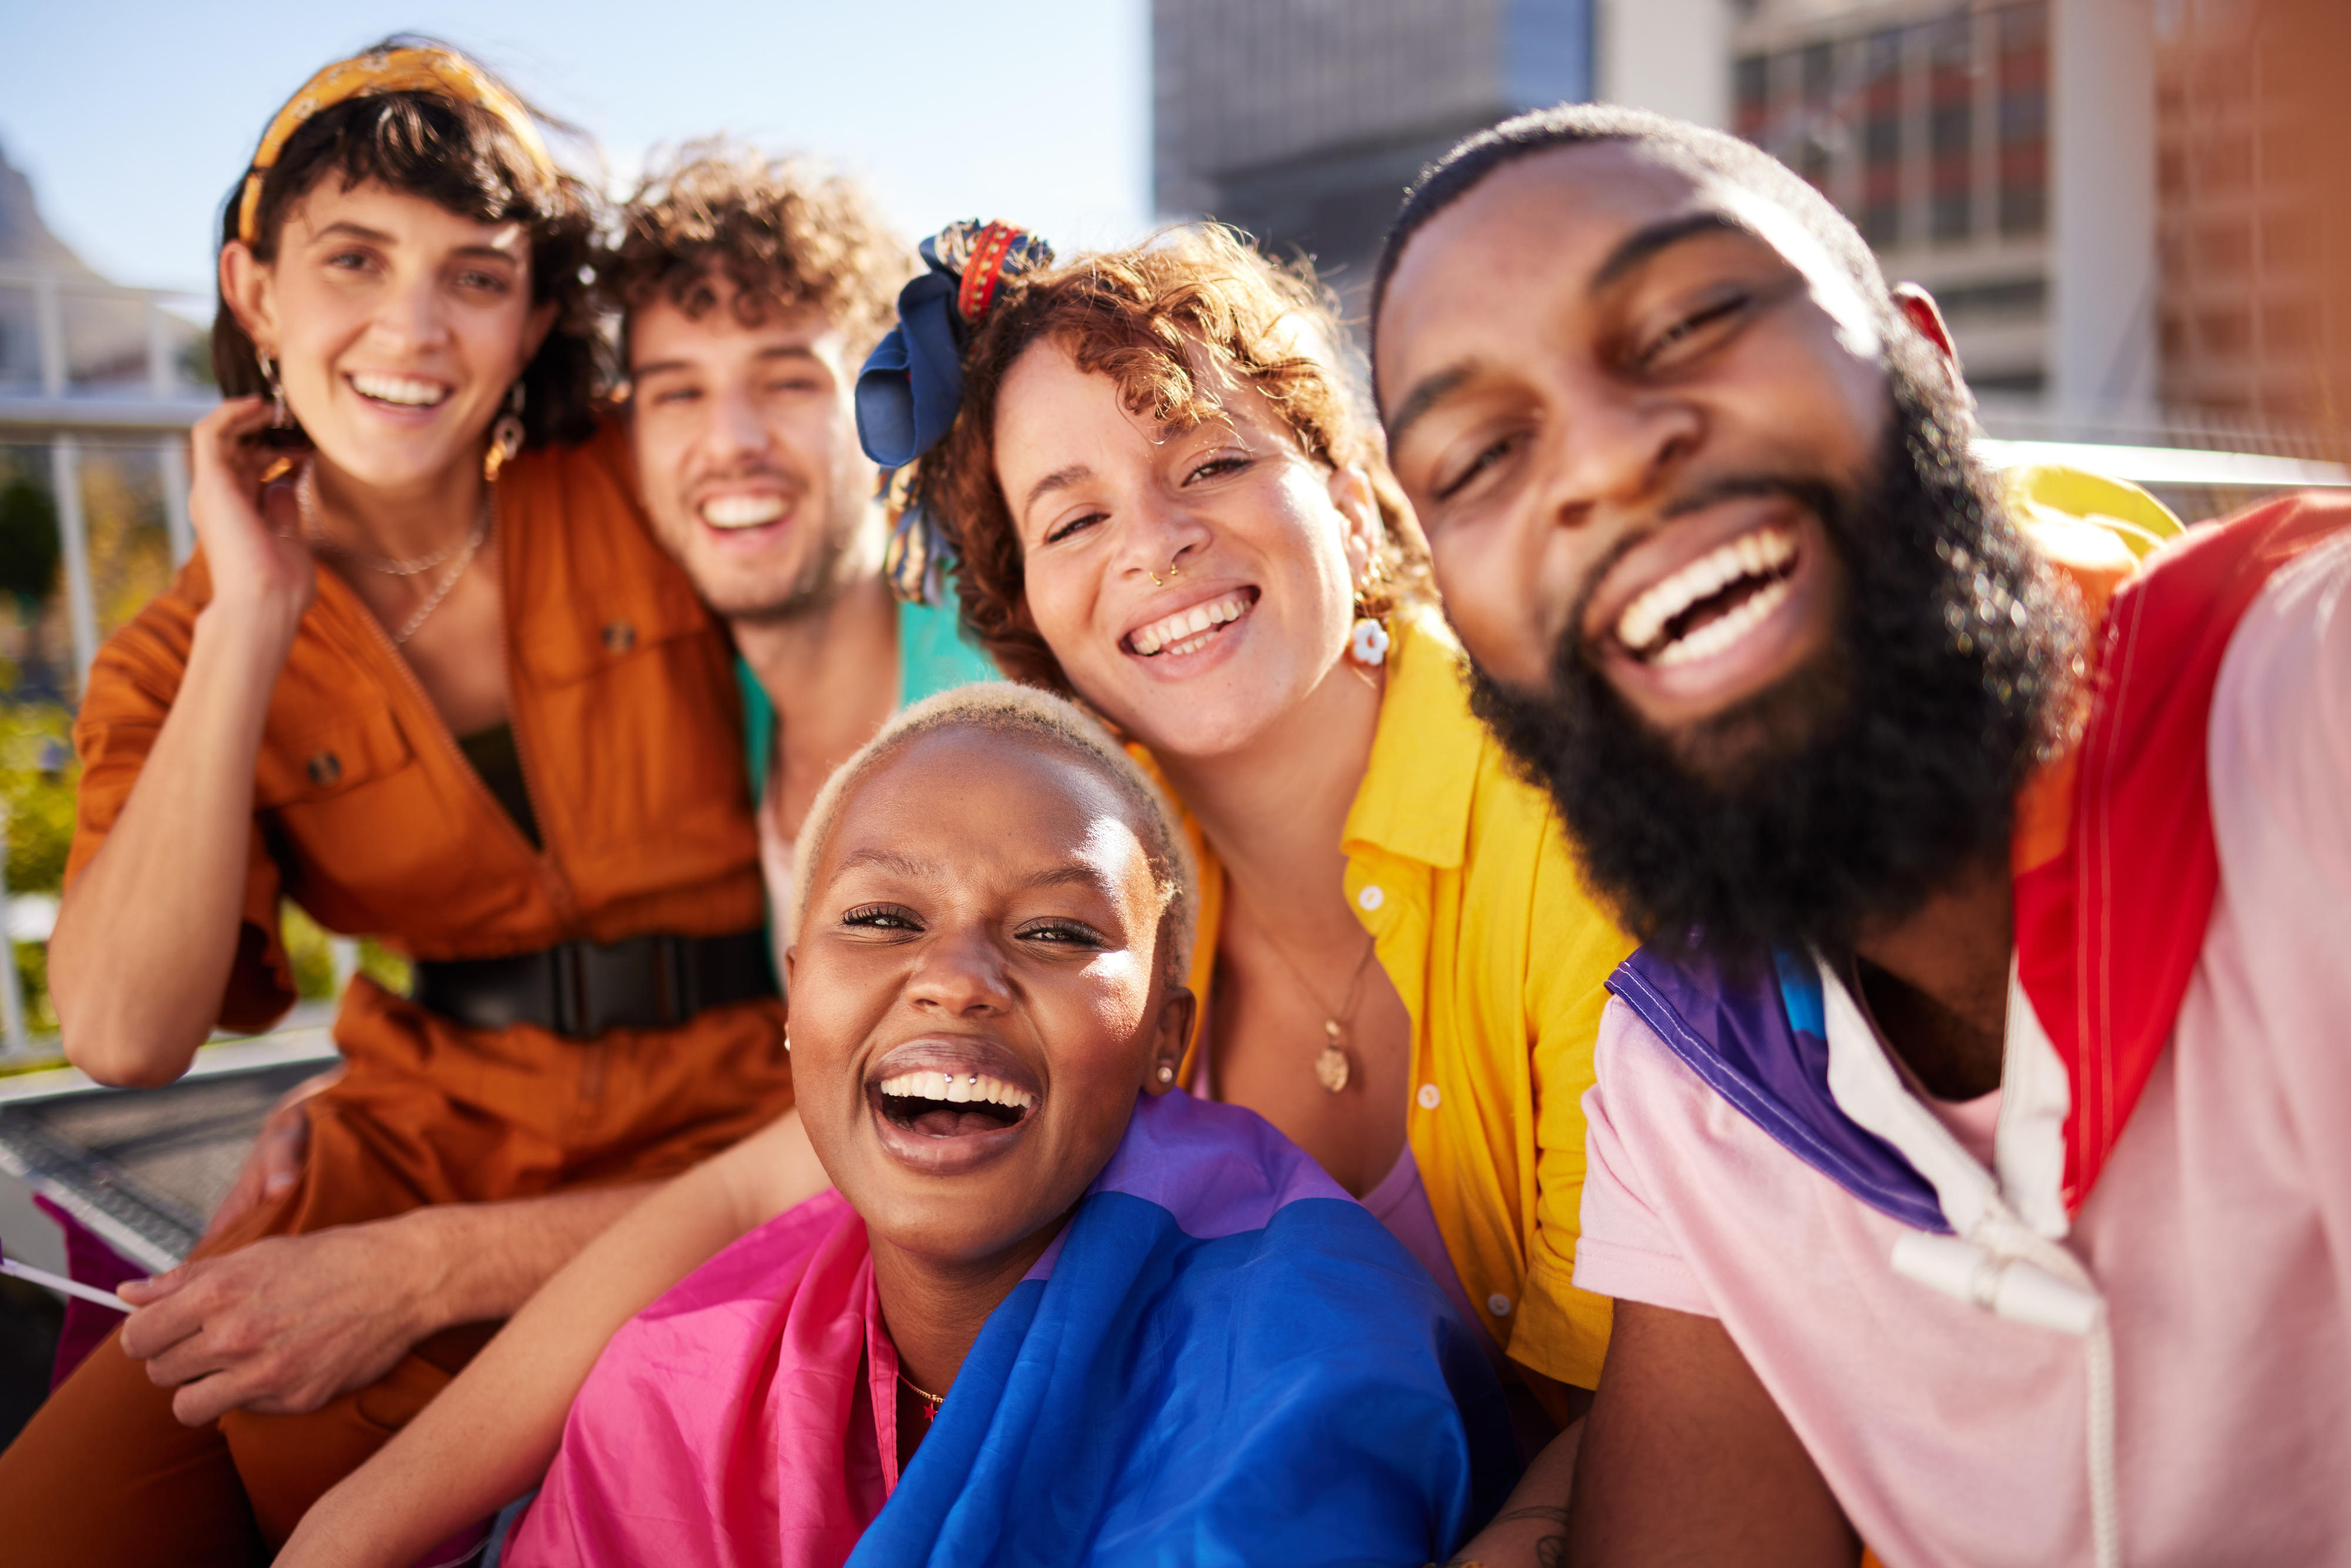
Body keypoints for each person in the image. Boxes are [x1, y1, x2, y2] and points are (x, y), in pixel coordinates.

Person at [272, 220, 1632, 1566]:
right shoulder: (1095, 872)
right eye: (1074, 515)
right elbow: (747, 1196)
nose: (1152, 543)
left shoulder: (1579, 834)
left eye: (1210, 460)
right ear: (1030, 606)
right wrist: (355, 1530)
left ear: (1345, 493)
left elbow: (1669, 1383)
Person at [1370, 102, 2351, 1566]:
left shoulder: (2303, 713)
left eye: (1694, 316)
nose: (1601, 460)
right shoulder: (1686, 1079)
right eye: (1475, 456)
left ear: (1924, 369)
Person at [0, 42, 791, 1563]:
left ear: (537, 314)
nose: (411, 329)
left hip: (743, 1116)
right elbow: (117, 1029)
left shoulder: (653, 482)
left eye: (475, 276)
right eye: (354, 259)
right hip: (429, 1124)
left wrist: (420, 1271)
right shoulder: (183, 642)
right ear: (254, 291)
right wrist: (253, 620)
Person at [292, 683, 1516, 1566]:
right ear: (793, 1001)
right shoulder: (680, 1384)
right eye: (881, 917)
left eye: (1054, 931)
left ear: (1164, 1035)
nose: (957, 976)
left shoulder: (1310, 1365)